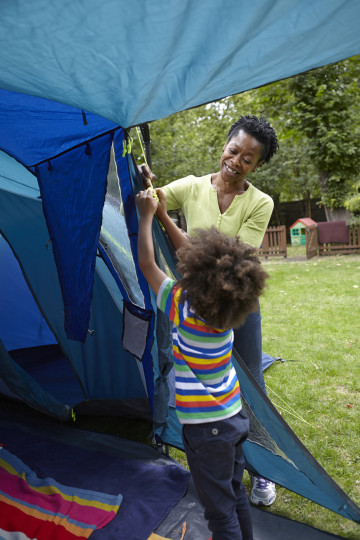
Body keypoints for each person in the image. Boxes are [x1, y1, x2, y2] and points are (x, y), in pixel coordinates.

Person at [140, 114, 279, 506]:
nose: (236, 161)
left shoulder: (260, 203)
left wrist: (165, 217)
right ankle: (175, 441)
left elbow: (227, 265)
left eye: (248, 158)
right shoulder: (193, 186)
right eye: (233, 150)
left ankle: (263, 471)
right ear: (224, 146)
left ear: (259, 165)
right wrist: (147, 182)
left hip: (236, 308)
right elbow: (153, 200)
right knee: (176, 366)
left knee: (251, 382)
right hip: (189, 306)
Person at [135, 188, 269, 540]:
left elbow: (148, 265)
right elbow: (188, 258)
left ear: (197, 276)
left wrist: (146, 215)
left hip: (206, 431)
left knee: (218, 511)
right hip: (234, 417)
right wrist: (161, 213)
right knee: (235, 492)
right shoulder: (228, 315)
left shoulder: (182, 306)